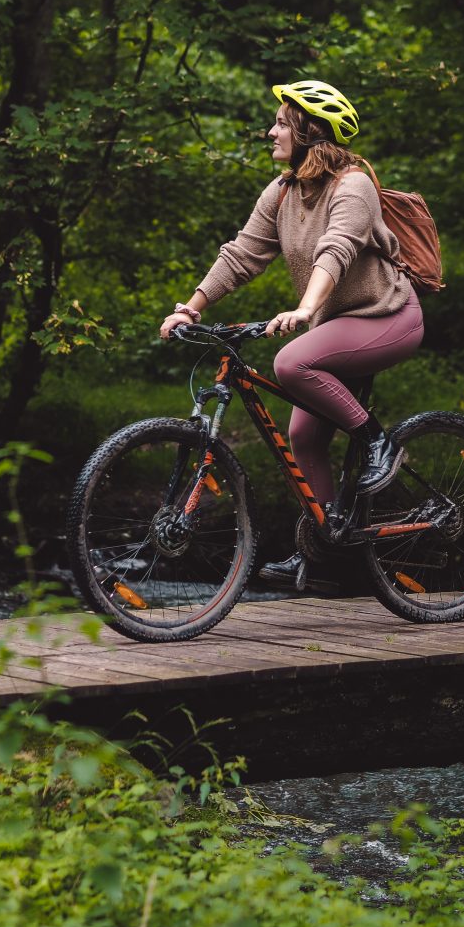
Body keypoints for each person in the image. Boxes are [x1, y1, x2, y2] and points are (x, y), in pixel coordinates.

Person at [158, 80, 424, 589]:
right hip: (336, 322)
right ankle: (329, 553)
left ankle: (379, 443)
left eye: (281, 122)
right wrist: (190, 308)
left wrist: (305, 308)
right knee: (303, 437)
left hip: (387, 316)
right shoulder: (282, 192)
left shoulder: (353, 186)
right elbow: (242, 255)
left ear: (309, 131)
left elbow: (338, 248)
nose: (272, 131)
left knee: (290, 362)